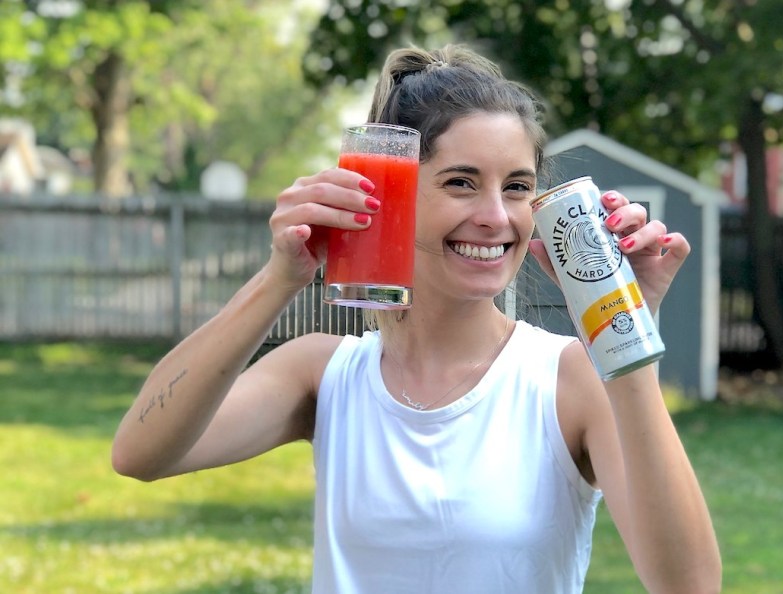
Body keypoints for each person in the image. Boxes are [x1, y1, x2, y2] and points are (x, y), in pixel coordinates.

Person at [112, 44, 722, 593]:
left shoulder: (567, 379)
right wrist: (280, 278)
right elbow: (140, 452)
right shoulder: (323, 374)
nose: (495, 216)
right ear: (393, 192)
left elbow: (689, 585)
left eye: (516, 187)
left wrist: (622, 337)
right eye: (461, 182)